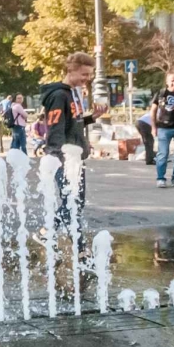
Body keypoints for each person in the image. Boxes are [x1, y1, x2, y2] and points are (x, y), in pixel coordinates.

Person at [40, 52, 109, 232]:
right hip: (64, 157)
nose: (88, 78)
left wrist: (92, 117)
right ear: (71, 71)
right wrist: (58, 157)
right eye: (84, 74)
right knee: (73, 203)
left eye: (90, 74)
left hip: (75, 156)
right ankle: (78, 250)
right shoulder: (59, 96)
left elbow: (73, 123)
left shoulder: (73, 94)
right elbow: (55, 128)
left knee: (75, 204)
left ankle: (49, 233)